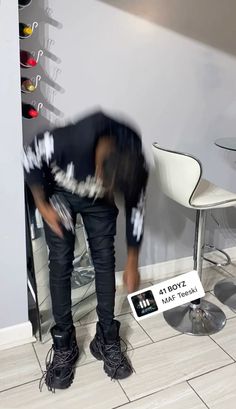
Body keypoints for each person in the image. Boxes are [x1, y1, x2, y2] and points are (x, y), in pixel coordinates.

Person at [23, 110, 148, 392]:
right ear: (98, 169)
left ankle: (106, 338)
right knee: (61, 263)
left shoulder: (133, 159)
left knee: (106, 261)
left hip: (97, 203)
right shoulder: (71, 140)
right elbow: (29, 155)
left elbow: (136, 211)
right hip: (61, 192)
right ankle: (65, 343)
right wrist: (42, 204)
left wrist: (133, 261)